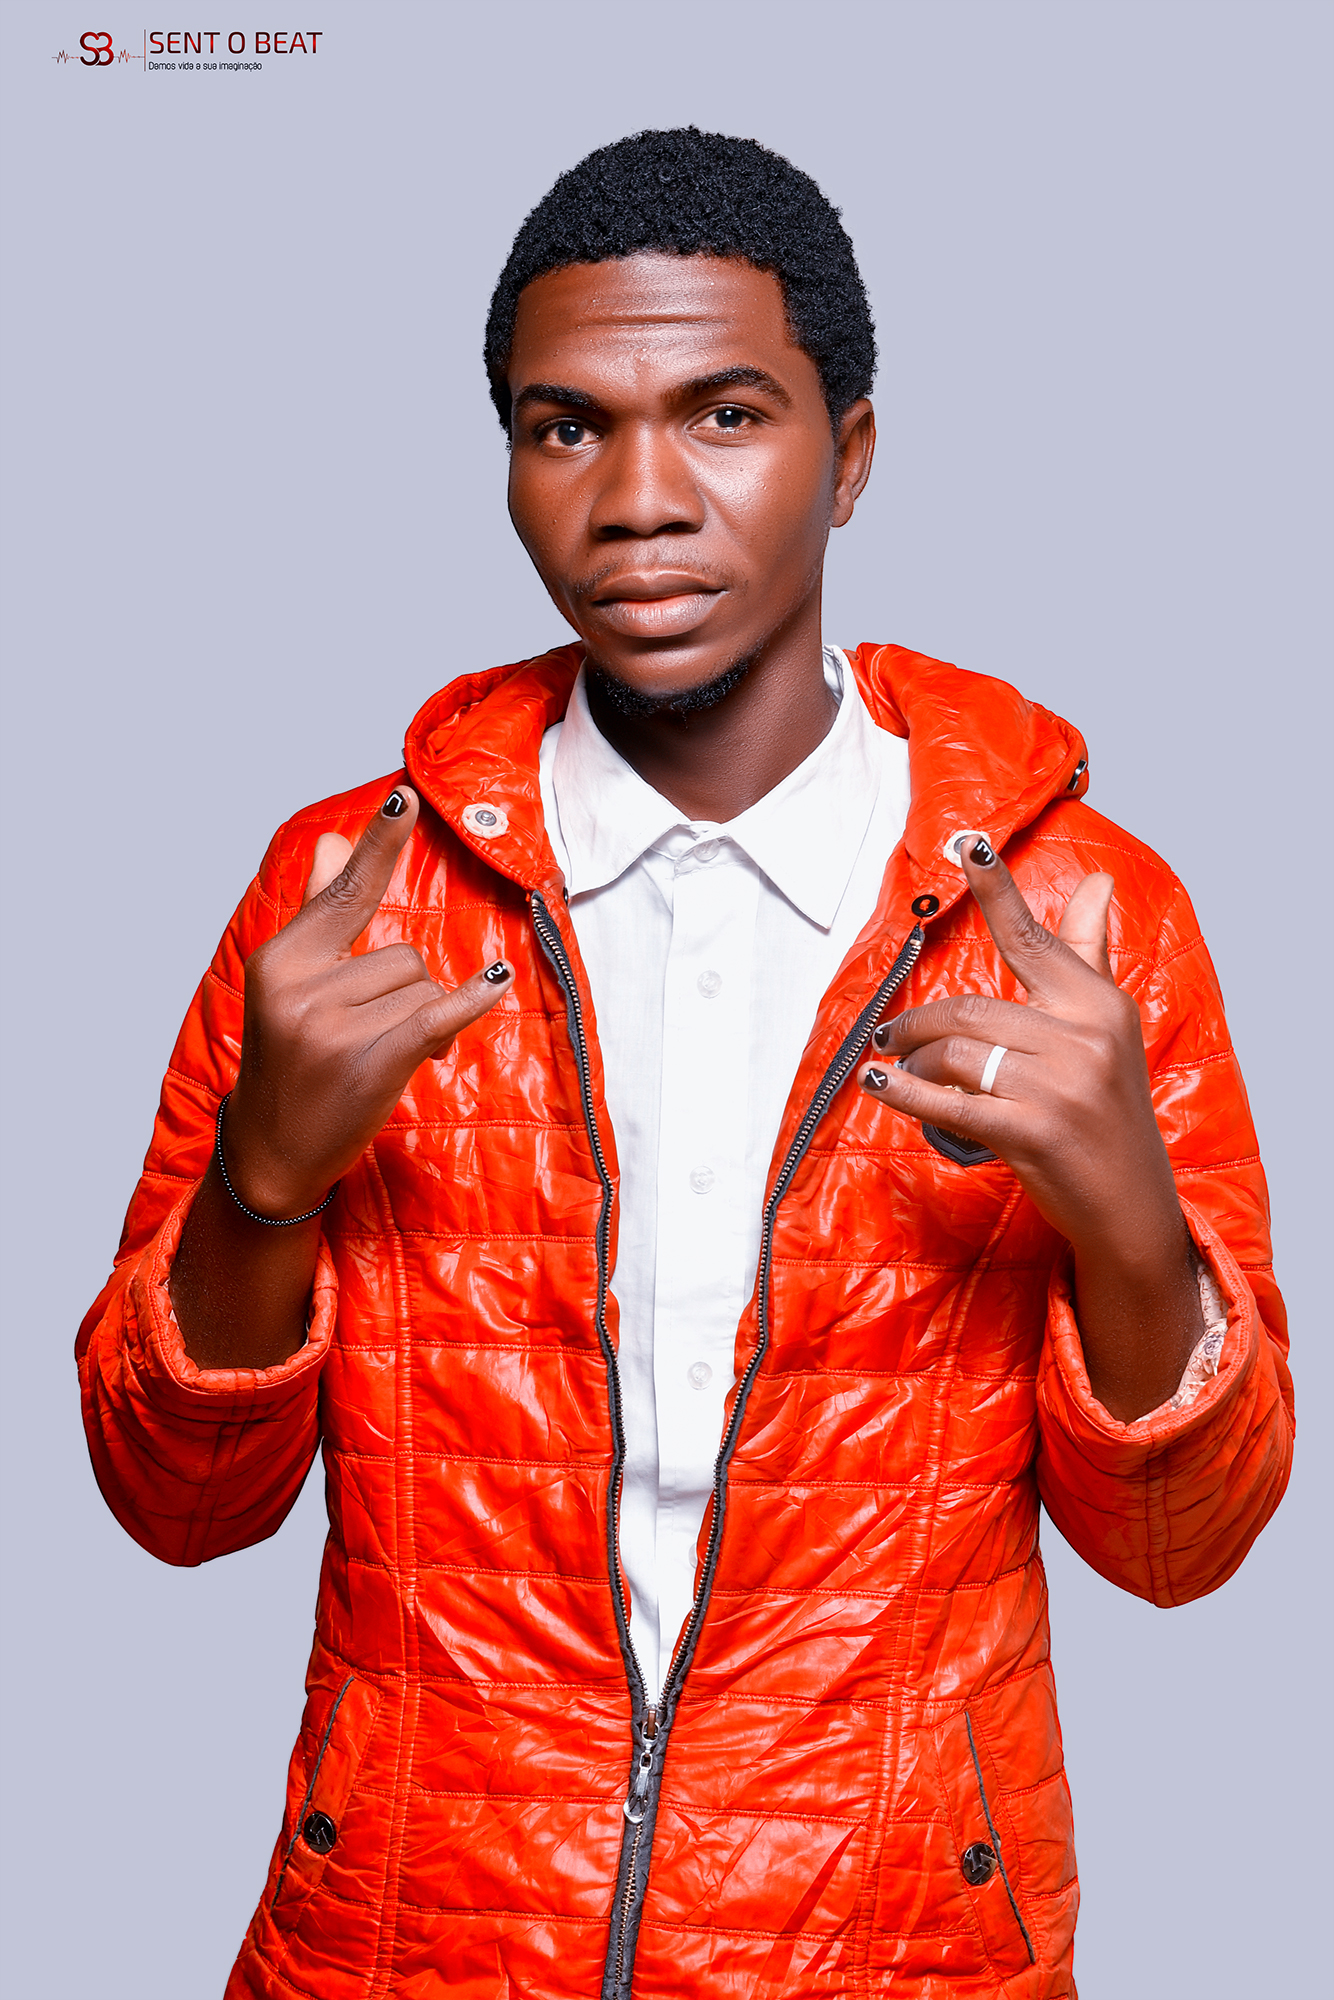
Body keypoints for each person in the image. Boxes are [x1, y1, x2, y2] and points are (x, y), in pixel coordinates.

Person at [77, 128, 1292, 1999]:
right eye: (565, 426)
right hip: (412, 1937)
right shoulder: (346, 892)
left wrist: (1131, 1225)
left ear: (850, 454)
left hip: (892, 1945)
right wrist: (264, 1183)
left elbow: (1175, 1549)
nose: (639, 498)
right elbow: (177, 1506)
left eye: (725, 415)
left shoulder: (1079, 914)